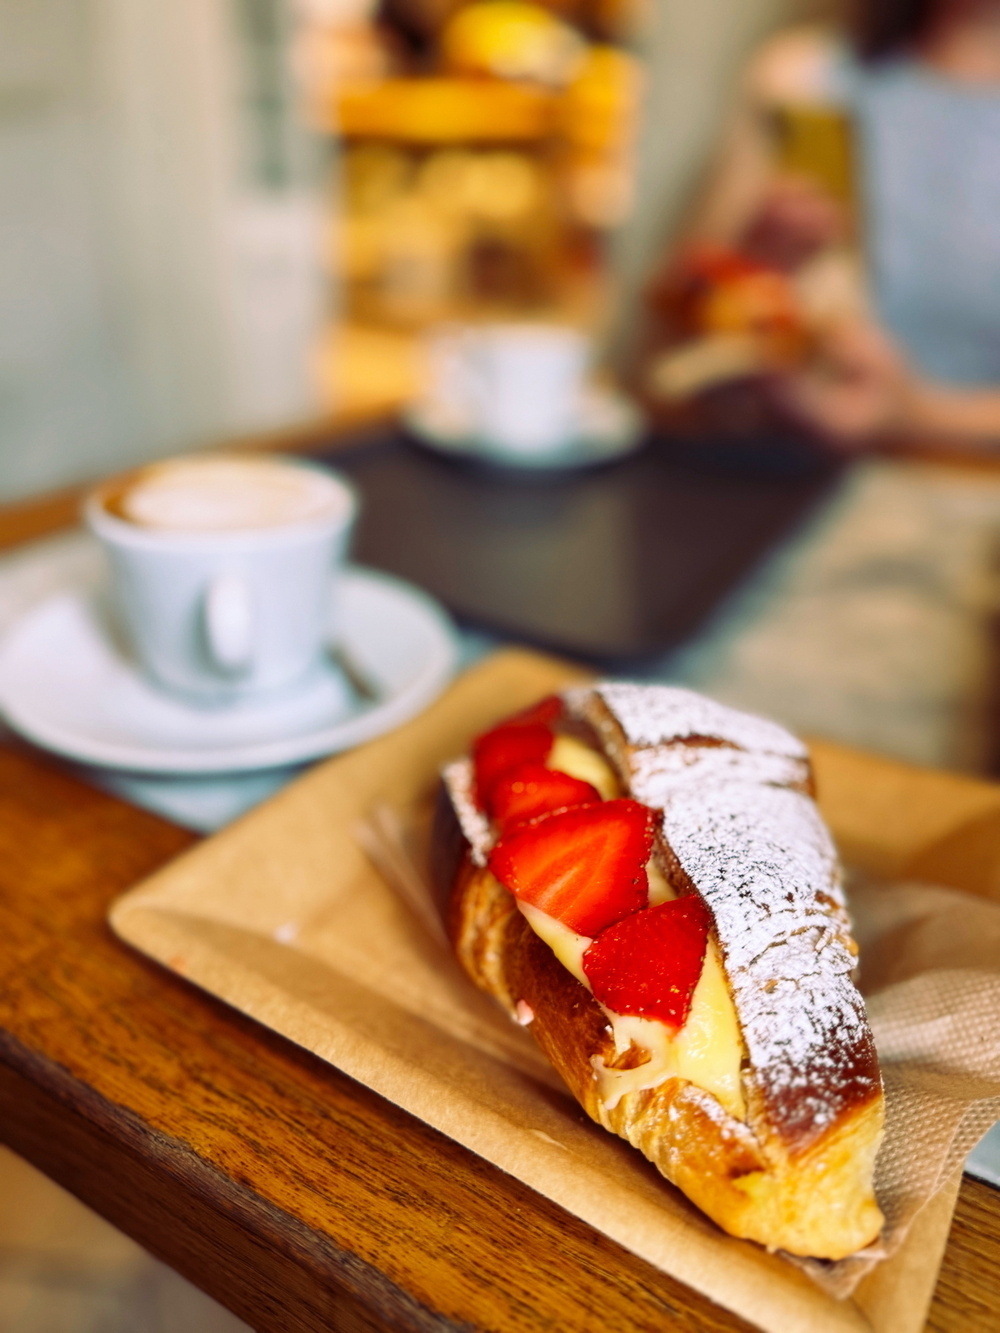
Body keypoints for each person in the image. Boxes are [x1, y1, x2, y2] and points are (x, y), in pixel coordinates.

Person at [656, 0, 1000, 449]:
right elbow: (669, 342)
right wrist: (757, 273)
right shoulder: (808, 81)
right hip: (783, 469)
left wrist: (921, 414)